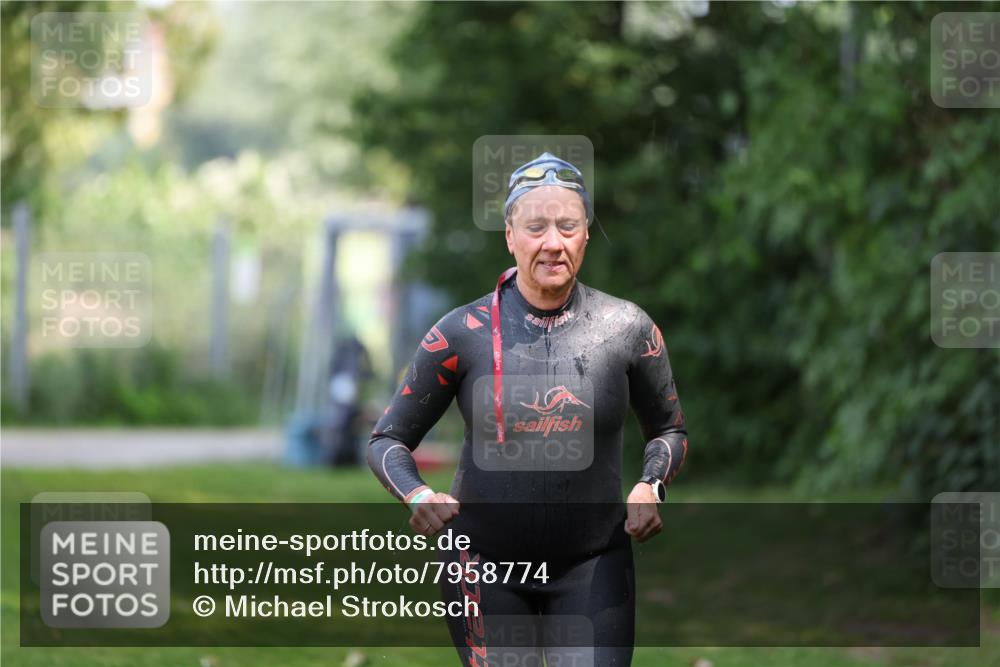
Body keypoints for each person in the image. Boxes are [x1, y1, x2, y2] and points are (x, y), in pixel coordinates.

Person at [368, 152, 689, 666]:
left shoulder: (628, 330)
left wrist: (652, 484)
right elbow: (387, 440)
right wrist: (417, 493)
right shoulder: (459, 334)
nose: (553, 243)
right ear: (510, 236)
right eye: (535, 226)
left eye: (568, 226)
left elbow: (669, 432)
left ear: (586, 233)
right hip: (482, 567)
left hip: (593, 564)